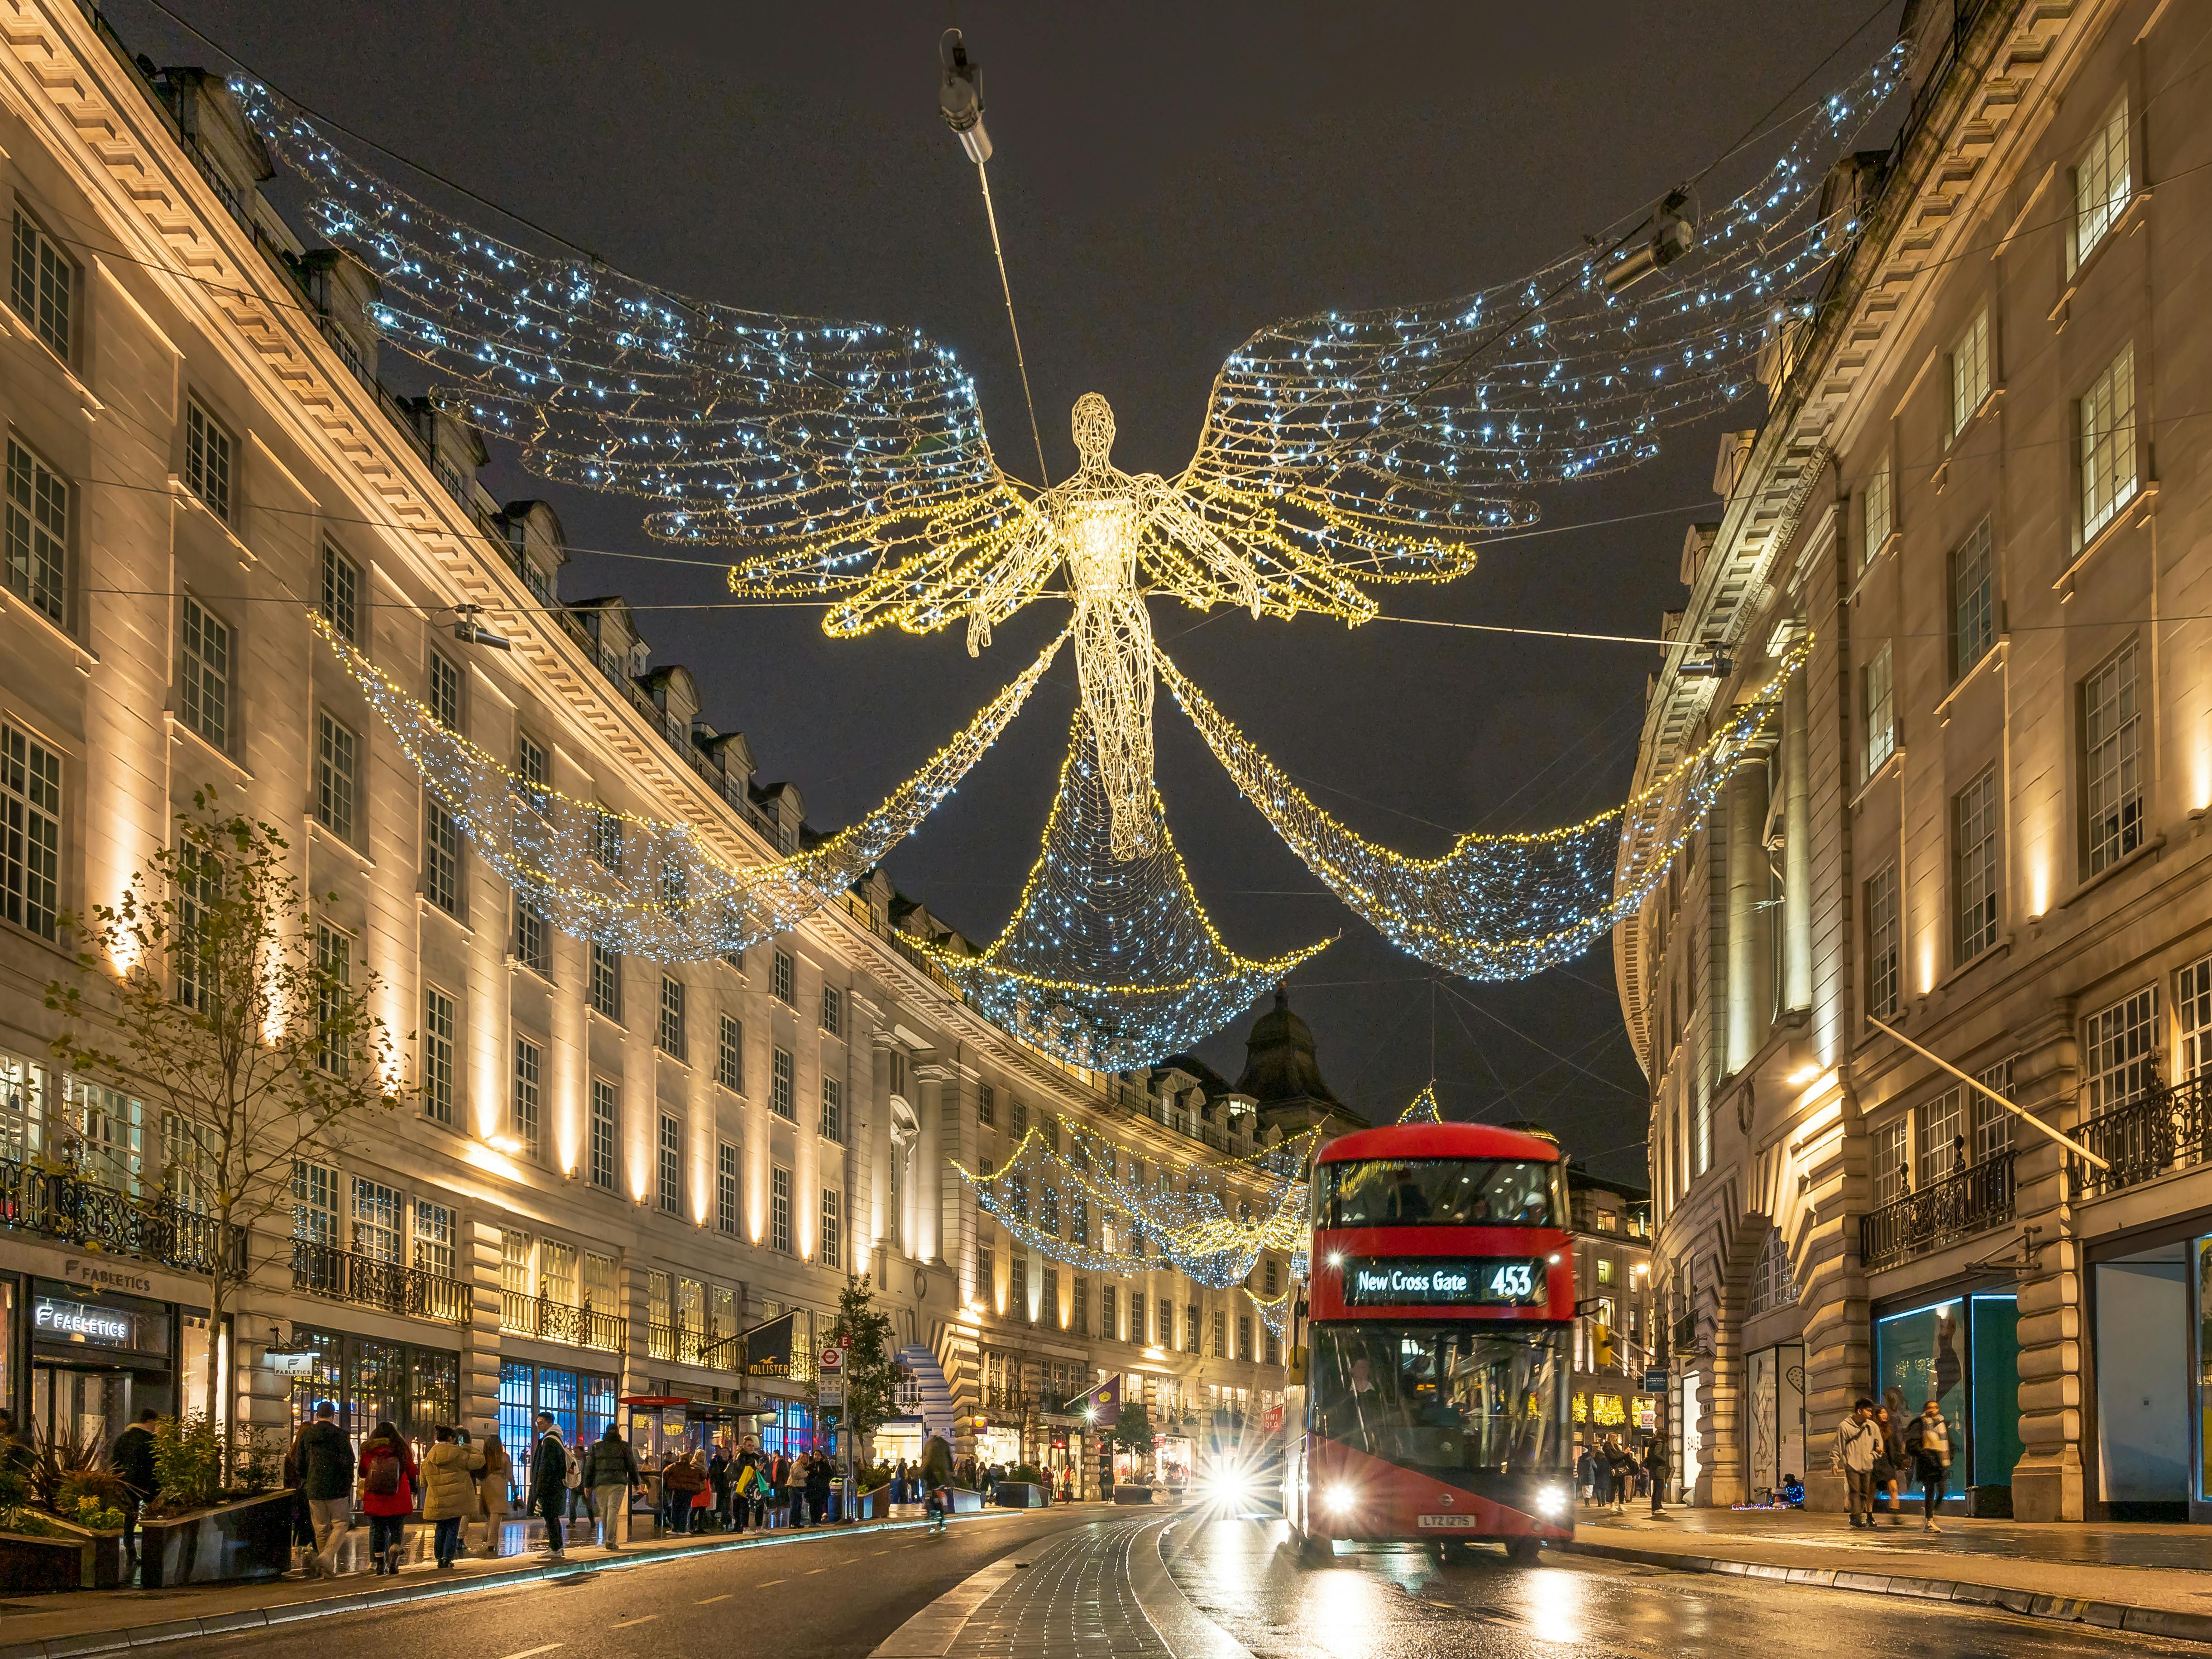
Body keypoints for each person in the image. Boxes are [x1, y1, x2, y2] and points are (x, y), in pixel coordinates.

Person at [298, 1400, 356, 1577]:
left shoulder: (307, 1435)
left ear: (317, 1415)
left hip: (314, 1488)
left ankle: (327, 1569)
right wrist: (347, 1481)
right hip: (336, 1488)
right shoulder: (340, 1435)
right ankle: (328, 1555)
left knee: (321, 1528)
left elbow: (299, 1462)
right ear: (333, 1415)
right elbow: (349, 1461)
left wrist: (308, 1479)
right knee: (341, 1524)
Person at [356, 1421, 418, 1575]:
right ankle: (394, 1557)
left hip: (376, 1496)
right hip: (398, 1493)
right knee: (397, 1529)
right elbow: (411, 1470)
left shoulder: (368, 1449)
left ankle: (379, 1564)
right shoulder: (401, 1447)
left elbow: (363, 1473)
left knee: (378, 1530)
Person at [420, 1424, 484, 1569]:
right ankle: (447, 1557)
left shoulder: (430, 1456)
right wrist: (466, 1446)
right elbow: (480, 1460)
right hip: (456, 1499)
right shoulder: (459, 1453)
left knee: (441, 1528)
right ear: (451, 1438)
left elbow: (423, 1480)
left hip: (438, 1499)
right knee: (452, 1528)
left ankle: (439, 1556)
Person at [110, 1408, 158, 1563]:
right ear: (150, 1422)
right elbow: (154, 1465)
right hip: (146, 1484)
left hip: (126, 1483)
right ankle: (150, 1552)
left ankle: (130, 1550)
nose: (156, 1427)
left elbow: (115, 1461)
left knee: (129, 1517)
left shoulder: (124, 1438)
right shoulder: (150, 1440)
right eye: (155, 1423)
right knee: (151, 1517)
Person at [584, 1424, 640, 1550]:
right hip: (618, 1482)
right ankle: (610, 1539)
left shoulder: (596, 1447)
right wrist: (637, 1483)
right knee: (613, 1509)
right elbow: (632, 1465)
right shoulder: (624, 1446)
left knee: (604, 1511)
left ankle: (608, 1538)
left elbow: (589, 1467)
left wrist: (587, 1485)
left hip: (601, 1483)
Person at [1906, 1398, 1952, 1534]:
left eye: (1936, 1407)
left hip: (1941, 1462)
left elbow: (1949, 1442)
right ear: (1925, 1409)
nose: (1933, 1410)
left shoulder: (1942, 1423)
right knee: (1930, 1490)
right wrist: (1925, 1455)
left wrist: (1950, 1456)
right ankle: (1929, 1521)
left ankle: (1930, 1511)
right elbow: (1913, 1443)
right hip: (1927, 1463)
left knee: (1943, 1490)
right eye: (1930, 1407)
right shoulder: (1920, 1423)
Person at [1832, 1398, 1880, 1529]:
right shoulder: (1845, 1426)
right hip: (1852, 1463)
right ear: (1860, 1411)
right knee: (1855, 1490)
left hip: (1867, 1464)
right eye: (1868, 1411)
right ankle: (1856, 1517)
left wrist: (1873, 1456)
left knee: (1864, 1492)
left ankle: (1856, 1516)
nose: (1871, 1414)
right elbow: (1839, 1445)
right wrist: (1835, 1462)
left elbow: (1879, 1445)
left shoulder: (1872, 1426)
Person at [529, 1412, 569, 1557]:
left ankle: (556, 1548)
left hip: (550, 1487)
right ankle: (557, 1547)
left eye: (540, 1423)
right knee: (552, 1517)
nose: (538, 1426)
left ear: (548, 1423)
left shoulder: (550, 1441)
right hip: (555, 1486)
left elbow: (546, 1467)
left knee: (550, 1517)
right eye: (536, 1423)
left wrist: (541, 1488)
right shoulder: (555, 1439)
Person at [476, 1432, 512, 1558]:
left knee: (489, 1512)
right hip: (500, 1485)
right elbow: (510, 1474)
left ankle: (488, 1538)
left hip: (487, 1484)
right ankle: (492, 1542)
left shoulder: (484, 1458)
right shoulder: (504, 1457)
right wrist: (514, 1488)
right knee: (497, 1514)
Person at [1871, 1405, 1906, 1525]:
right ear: (1876, 1415)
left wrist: (1900, 1461)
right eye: (1881, 1413)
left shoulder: (1890, 1429)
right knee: (1871, 1491)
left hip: (1887, 1463)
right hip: (1875, 1463)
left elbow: (1895, 1448)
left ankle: (1895, 1515)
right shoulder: (1871, 1428)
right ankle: (1868, 1514)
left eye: (1885, 1412)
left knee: (1894, 1488)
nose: (1885, 1415)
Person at [661, 1444, 706, 1534]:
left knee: (675, 1509)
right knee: (685, 1509)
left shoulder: (674, 1467)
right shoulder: (693, 1468)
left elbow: (665, 1473)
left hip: (677, 1490)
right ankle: (682, 1529)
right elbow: (703, 1476)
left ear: (680, 1458)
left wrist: (669, 1483)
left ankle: (675, 1528)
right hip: (689, 1491)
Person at [919, 1431, 955, 1535]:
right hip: (940, 1479)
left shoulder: (929, 1445)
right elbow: (949, 1459)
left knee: (929, 1497)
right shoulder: (943, 1444)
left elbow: (925, 1460)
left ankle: (932, 1515)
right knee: (940, 1497)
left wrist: (922, 1474)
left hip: (931, 1479)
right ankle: (942, 1517)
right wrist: (951, 1474)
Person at [1641, 1438, 1668, 1515]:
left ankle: (1655, 1508)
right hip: (1659, 1469)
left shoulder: (1654, 1444)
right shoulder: (1660, 1443)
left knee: (1657, 1489)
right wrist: (1665, 1460)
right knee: (1659, 1489)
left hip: (1654, 1469)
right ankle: (1658, 1507)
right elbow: (1656, 1455)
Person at [709, 1445, 732, 1531]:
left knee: (726, 1504)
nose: (724, 1454)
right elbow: (711, 1473)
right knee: (716, 1504)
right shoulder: (715, 1462)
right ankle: (717, 1520)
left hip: (728, 1486)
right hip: (718, 1486)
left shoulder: (731, 1462)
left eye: (725, 1452)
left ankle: (724, 1520)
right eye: (722, 1452)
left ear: (729, 1453)